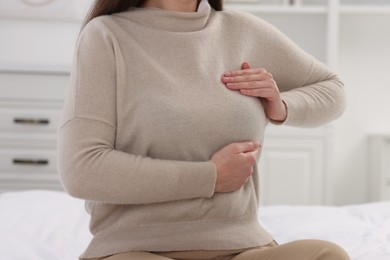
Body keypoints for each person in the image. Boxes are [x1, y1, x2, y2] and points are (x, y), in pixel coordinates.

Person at [57, 0, 350, 259]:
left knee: (327, 255)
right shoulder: (106, 36)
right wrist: (211, 176)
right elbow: (81, 169)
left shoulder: (243, 31)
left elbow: (333, 90)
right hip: (136, 249)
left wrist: (281, 104)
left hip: (241, 247)